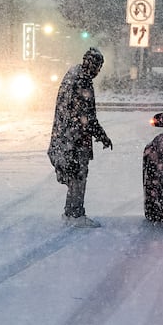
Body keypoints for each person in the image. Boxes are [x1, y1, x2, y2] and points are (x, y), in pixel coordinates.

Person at [47, 47, 113, 226]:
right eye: (97, 66)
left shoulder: (71, 77)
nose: (97, 71)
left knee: (74, 175)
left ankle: (71, 212)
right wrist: (102, 136)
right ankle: (75, 214)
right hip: (76, 139)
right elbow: (87, 117)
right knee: (78, 176)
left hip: (65, 136)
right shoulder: (82, 81)